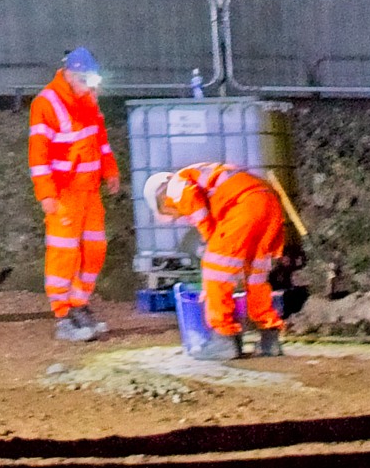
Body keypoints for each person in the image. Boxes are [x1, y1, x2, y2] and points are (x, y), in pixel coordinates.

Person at [150, 161, 296, 358]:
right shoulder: (202, 177)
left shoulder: (175, 186)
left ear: (160, 200)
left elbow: (192, 202)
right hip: (268, 203)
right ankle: (270, 339)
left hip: (244, 206)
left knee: (214, 269)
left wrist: (211, 239)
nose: (178, 216)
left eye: (172, 214)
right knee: (256, 276)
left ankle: (224, 339)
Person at [25, 45, 114, 340]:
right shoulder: (46, 103)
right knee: (63, 254)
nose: (90, 87)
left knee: (95, 249)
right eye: (86, 80)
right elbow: (38, 155)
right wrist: (46, 194)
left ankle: (79, 303)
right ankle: (63, 314)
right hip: (64, 193)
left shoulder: (87, 99)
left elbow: (99, 138)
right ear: (72, 74)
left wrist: (110, 171)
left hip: (89, 190)